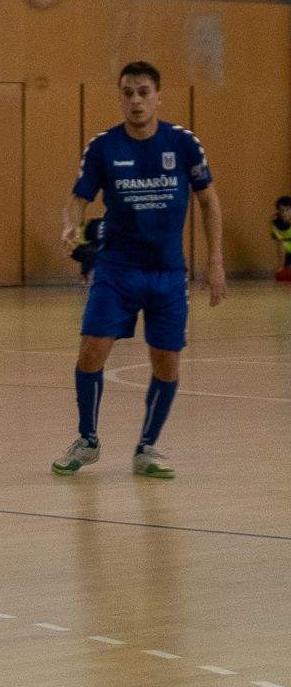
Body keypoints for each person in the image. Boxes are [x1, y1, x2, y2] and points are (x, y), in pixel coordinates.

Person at [53, 60, 224, 480]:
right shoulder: (103, 147)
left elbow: (209, 203)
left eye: (144, 92)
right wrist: (70, 223)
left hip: (167, 275)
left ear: (158, 96)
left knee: (167, 363)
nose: (136, 100)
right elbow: (79, 197)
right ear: (120, 97)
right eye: (128, 92)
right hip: (116, 270)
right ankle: (87, 439)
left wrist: (215, 261)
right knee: (91, 352)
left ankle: (147, 447)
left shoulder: (184, 145)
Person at [270, 196, 291, 281]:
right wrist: (281, 266)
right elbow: (280, 244)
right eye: (282, 210)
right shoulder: (275, 222)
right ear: (278, 211)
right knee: (282, 275)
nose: (285, 213)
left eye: (288, 210)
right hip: (287, 250)